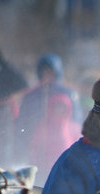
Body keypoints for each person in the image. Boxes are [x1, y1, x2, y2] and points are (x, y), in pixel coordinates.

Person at [15, 54, 81, 182]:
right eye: (44, 72)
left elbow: (76, 121)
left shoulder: (68, 93)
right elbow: (23, 121)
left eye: (50, 72)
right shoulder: (32, 95)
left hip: (63, 142)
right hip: (38, 143)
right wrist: (23, 140)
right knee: (40, 177)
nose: (47, 76)